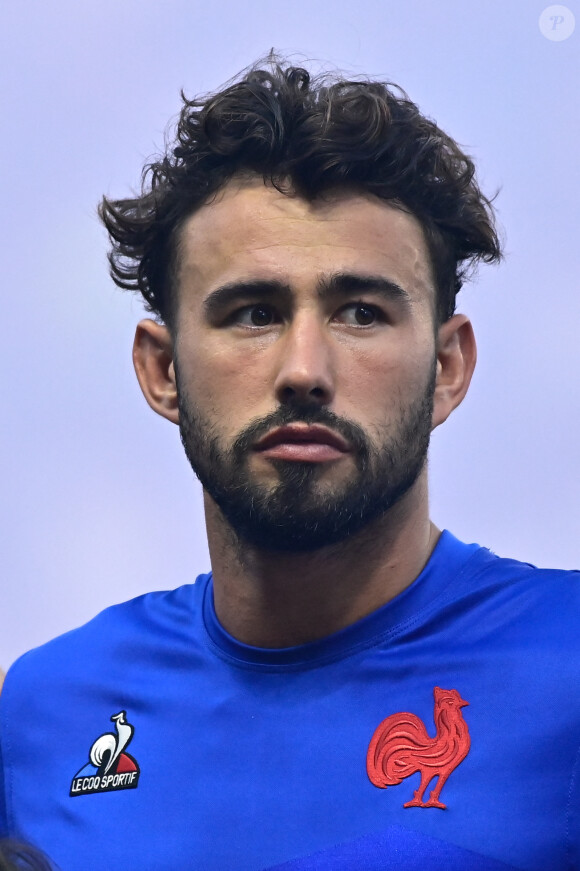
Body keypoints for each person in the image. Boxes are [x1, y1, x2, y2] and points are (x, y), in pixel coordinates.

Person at [0, 56, 578, 871]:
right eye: (255, 312)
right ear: (163, 370)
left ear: (447, 367)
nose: (303, 367)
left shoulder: (568, 664)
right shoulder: (45, 706)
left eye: (360, 312)